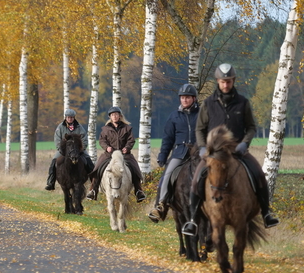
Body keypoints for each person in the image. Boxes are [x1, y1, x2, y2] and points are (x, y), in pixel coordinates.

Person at [182, 63, 280, 236]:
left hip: (238, 152)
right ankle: (192, 220)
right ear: (218, 82)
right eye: (222, 82)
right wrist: (203, 148)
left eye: (228, 81)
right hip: (214, 153)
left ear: (233, 81)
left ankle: (266, 213)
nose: (225, 85)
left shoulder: (243, 102)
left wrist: (244, 144)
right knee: (197, 180)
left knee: (259, 175)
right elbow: (199, 129)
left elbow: (251, 127)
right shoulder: (208, 103)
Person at [148, 84, 200, 223]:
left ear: (194, 98)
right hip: (180, 152)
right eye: (182, 98)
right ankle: (160, 206)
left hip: (199, 152)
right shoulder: (174, 116)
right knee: (167, 175)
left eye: (187, 97)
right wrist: (162, 156)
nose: (184, 100)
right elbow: (168, 139)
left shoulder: (202, 114)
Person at [85, 106, 146, 202]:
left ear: (120, 116)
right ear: (110, 117)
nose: (115, 116)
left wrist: (127, 148)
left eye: (116, 114)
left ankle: (139, 191)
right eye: (112, 115)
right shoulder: (105, 129)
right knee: (98, 168)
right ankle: (93, 190)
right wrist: (106, 147)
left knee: (134, 168)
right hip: (109, 154)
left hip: (124, 154)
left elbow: (131, 140)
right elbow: (102, 140)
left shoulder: (127, 128)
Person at [45, 108, 94, 191]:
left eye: (71, 117)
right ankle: (51, 182)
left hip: (78, 150)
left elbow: (84, 139)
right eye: (68, 117)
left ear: (74, 118)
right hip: (64, 151)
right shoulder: (60, 127)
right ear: (65, 117)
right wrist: (61, 150)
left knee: (88, 161)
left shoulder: (79, 127)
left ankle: (94, 183)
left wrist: (81, 149)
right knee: (54, 161)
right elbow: (57, 140)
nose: (70, 119)